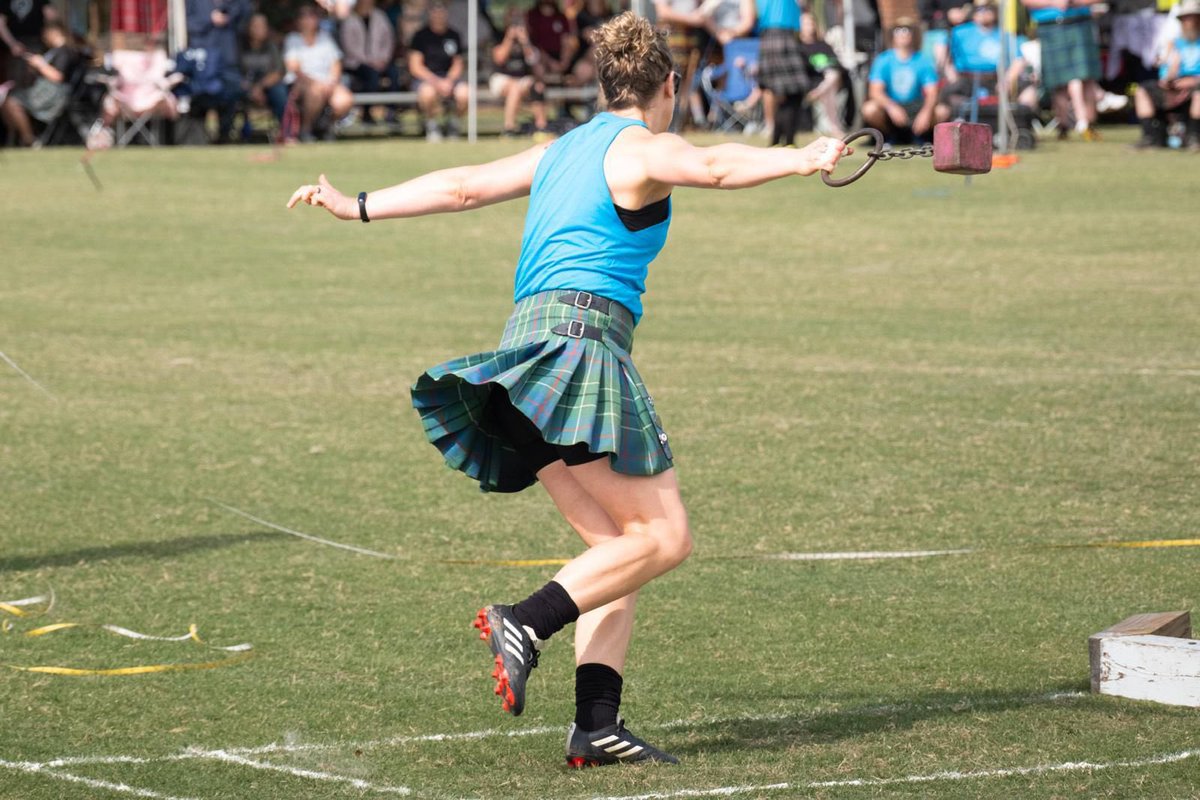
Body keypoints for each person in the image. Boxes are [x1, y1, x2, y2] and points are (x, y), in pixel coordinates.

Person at [287, 10, 847, 768]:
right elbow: (715, 167)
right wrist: (803, 156)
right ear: (668, 86)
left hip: (524, 361)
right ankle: (525, 619)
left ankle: (596, 724)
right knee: (666, 538)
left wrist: (354, 203)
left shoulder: (561, 148)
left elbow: (459, 187)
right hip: (578, 353)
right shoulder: (644, 147)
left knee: (619, 552)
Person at [1020, 0, 1103, 140]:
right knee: (1059, 83)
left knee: (1084, 77)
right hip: (1051, 26)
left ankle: (1087, 123)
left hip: (1079, 23)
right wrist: (1052, 2)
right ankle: (1065, 125)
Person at [941, 0, 1036, 114]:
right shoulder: (959, 32)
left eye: (988, 8)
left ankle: (1020, 129)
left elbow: (1019, 60)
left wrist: (1007, 80)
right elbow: (947, 58)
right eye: (979, 9)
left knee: (1029, 93)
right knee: (946, 101)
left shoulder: (1005, 34)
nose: (984, 12)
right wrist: (952, 76)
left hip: (997, 79)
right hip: (967, 79)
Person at [862, 19, 947, 143]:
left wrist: (926, 112)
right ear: (893, 36)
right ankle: (887, 137)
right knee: (869, 109)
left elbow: (932, 92)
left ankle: (922, 135)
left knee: (941, 111)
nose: (903, 34)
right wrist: (891, 107)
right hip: (891, 107)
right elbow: (875, 92)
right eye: (899, 30)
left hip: (915, 105)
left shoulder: (923, 60)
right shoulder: (883, 59)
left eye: (907, 30)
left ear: (913, 34)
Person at [1131, 0, 1200, 151]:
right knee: (1142, 90)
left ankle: (1194, 137)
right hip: (1175, 86)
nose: (1188, 23)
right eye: (1185, 19)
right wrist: (1170, 77)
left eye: (1192, 18)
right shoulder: (1174, 44)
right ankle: (1150, 136)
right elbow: (1164, 75)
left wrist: (1194, 81)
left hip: (1195, 86)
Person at [0, 18, 77, 147]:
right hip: (43, 90)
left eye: (45, 33)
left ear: (54, 32)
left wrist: (40, 65)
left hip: (54, 94)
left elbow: (58, 77)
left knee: (12, 102)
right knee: (7, 102)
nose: (44, 37)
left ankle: (29, 139)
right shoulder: (52, 51)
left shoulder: (65, 51)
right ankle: (19, 137)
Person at [284, 3, 354, 141]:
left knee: (345, 100)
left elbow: (336, 63)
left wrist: (332, 81)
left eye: (312, 16)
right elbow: (294, 67)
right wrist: (316, 83)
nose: (310, 20)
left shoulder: (325, 38)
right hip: (303, 83)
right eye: (305, 16)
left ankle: (326, 126)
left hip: (327, 81)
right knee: (314, 92)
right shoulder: (292, 39)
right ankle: (306, 129)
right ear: (299, 20)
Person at [752, 0, 809, 145]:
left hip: (769, 35)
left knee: (787, 95)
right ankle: (787, 142)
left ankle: (777, 142)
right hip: (782, 33)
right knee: (795, 92)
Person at [408, 1, 466, 140]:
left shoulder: (454, 35)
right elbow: (415, 67)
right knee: (427, 93)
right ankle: (431, 124)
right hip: (427, 78)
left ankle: (453, 123)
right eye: (435, 11)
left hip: (449, 78)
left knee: (465, 93)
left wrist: (449, 81)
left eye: (441, 11)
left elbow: (458, 64)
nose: (438, 14)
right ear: (429, 14)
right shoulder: (420, 36)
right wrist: (436, 82)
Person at [490, 5, 548, 136]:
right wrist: (509, 38)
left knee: (537, 86)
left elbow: (534, 62)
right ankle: (509, 128)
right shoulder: (499, 36)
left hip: (523, 78)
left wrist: (525, 42)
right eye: (512, 18)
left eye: (518, 18)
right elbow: (499, 58)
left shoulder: (529, 37)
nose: (515, 22)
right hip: (501, 78)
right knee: (514, 87)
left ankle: (541, 126)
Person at [796, 11, 846, 137]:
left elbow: (836, 66)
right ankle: (834, 126)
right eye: (806, 23)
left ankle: (834, 126)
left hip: (825, 85)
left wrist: (821, 88)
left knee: (832, 77)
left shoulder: (823, 45)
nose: (810, 26)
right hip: (806, 84)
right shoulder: (797, 47)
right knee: (830, 84)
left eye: (811, 22)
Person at [340, 0, 399, 96]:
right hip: (357, 63)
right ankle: (368, 108)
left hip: (381, 61)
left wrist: (383, 59)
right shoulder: (349, 19)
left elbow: (388, 40)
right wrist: (370, 61)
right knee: (372, 76)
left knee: (393, 73)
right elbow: (349, 46)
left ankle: (392, 108)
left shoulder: (380, 17)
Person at [240, 12, 288, 126]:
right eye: (255, 26)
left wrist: (259, 88)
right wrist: (250, 89)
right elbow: (235, 71)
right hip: (244, 84)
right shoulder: (240, 46)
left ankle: (286, 131)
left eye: (262, 26)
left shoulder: (271, 47)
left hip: (266, 85)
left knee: (280, 93)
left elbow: (278, 72)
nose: (258, 29)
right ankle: (225, 134)